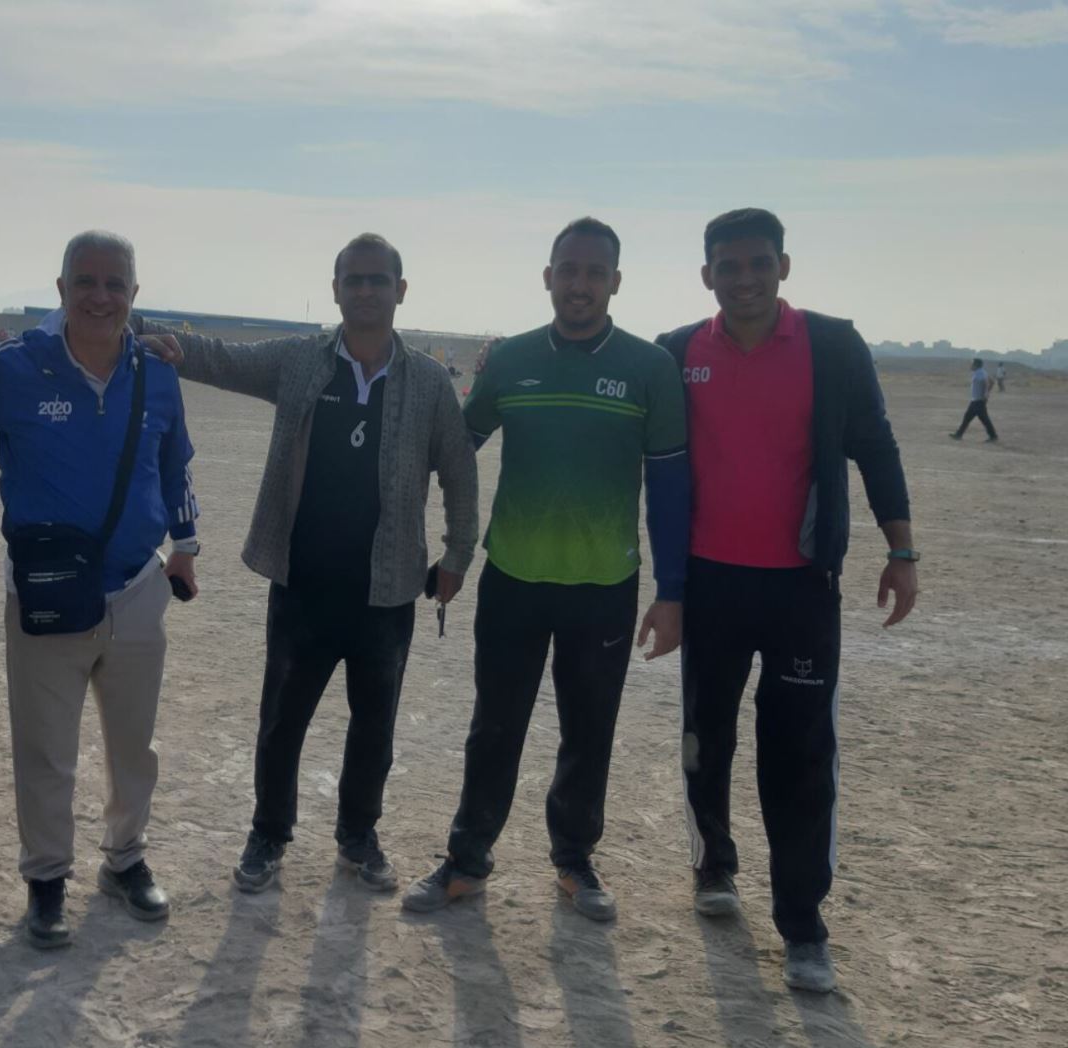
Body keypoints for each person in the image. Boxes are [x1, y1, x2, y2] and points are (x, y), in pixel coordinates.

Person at [130, 232, 478, 894]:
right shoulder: (299, 360)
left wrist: (458, 553)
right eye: (354, 280)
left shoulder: (430, 383)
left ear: (401, 290)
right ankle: (269, 833)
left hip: (386, 591)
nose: (366, 290)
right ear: (336, 289)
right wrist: (144, 328)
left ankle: (358, 835)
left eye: (379, 280)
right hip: (303, 585)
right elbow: (221, 358)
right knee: (281, 722)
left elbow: (460, 471)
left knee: (374, 727)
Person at [656, 208, 918, 993]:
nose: (745, 279)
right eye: (728, 266)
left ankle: (803, 924)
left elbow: (875, 444)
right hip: (710, 583)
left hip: (803, 585)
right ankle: (713, 865)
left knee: (800, 752)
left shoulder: (832, 345)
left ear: (783, 266)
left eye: (759, 264)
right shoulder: (677, 352)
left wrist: (901, 550)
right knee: (705, 735)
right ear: (707, 274)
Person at [402, 217, 689, 923]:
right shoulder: (511, 359)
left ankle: (574, 859)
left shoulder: (650, 368)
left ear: (615, 282)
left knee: (589, 730)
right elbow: (457, 448)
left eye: (594, 272)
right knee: (494, 725)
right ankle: (468, 859)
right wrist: (436, 538)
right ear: (548, 277)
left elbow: (670, 486)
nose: (579, 284)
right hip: (514, 578)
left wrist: (673, 591)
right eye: (568, 270)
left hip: (604, 584)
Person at [0, 230, 200, 949]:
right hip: (45, 595)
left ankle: (125, 858)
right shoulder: (16, 370)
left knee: (134, 745)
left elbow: (175, 464)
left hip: (136, 588)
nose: (101, 296)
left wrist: (186, 546)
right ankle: (46, 879)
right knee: (45, 750)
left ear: (135, 293)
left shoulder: (157, 374)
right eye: (86, 282)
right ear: (62, 289)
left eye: (115, 284)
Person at [952, 358, 1000, 441]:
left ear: (976, 365)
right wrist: (987, 392)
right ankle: (959, 434)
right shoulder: (981, 372)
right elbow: (992, 382)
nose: (971, 365)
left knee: (983, 419)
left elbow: (985, 382)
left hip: (978, 401)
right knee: (968, 417)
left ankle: (993, 436)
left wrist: (986, 393)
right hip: (976, 400)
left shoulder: (979, 373)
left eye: (972, 364)